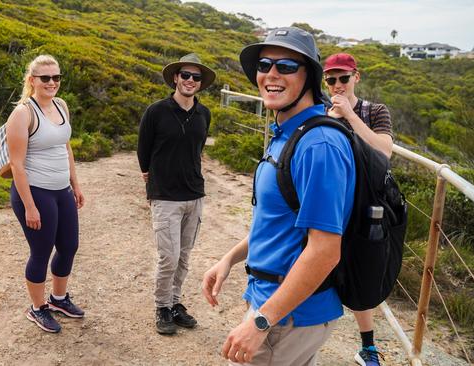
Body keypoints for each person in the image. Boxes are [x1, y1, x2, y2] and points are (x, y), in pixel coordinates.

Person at [202, 27, 356, 365]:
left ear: (310, 78)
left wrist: (261, 321)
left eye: (286, 66)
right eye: (264, 65)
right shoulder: (287, 132)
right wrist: (229, 259)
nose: (271, 74)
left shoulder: (319, 146)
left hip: (288, 317)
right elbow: (279, 222)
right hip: (276, 305)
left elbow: (325, 251)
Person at [137, 53, 216, 335]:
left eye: (196, 77)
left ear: (200, 83)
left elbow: (197, 150)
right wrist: (152, 180)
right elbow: (143, 153)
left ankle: (175, 303)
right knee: (168, 257)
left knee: (184, 256)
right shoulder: (156, 111)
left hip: (194, 195)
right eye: (185, 75)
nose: (190, 81)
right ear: (175, 78)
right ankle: (161, 306)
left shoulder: (204, 114)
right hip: (165, 196)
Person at [6, 54, 85, 334]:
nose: (52, 82)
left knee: (69, 246)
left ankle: (59, 299)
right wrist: (29, 205)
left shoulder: (61, 106)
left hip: (61, 190)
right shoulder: (23, 113)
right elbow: (16, 163)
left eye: (56, 77)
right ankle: (37, 308)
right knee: (41, 250)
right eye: (45, 78)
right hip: (35, 192)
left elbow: (66, 147)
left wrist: (75, 184)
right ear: (32, 81)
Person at [324, 52, 393, 366]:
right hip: (331, 203)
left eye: (343, 78)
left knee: (362, 276)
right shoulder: (323, 113)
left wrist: (349, 116)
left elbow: (383, 150)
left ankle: (368, 347)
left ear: (356, 77)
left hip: (366, 206)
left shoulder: (375, 111)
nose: (337, 85)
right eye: (331, 79)